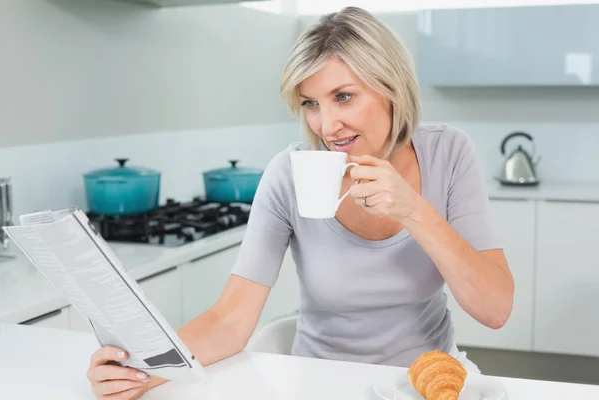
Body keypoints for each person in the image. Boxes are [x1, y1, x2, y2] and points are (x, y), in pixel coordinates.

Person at [86, 6, 514, 399]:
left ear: (392, 89)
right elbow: (230, 319)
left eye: (343, 96)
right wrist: (141, 369)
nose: (327, 125)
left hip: (427, 384)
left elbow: (494, 310)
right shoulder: (289, 173)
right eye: (311, 104)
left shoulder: (450, 154)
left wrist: (414, 210)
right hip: (319, 382)